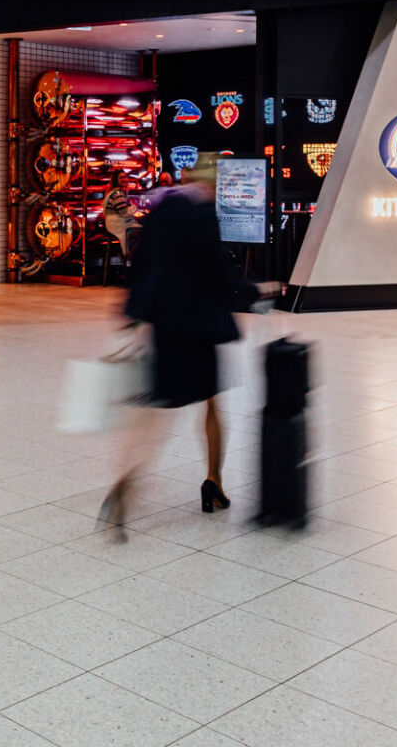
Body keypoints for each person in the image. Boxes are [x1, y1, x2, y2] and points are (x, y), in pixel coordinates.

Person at [100, 155, 269, 541]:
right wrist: (253, 291)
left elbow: (140, 264)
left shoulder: (162, 211)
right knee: (211, 403)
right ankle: (214, 481)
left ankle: (125, 484)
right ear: (208, 185)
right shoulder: (201, 215)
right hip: (199, 329)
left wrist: (134, 312)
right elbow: (216, 274)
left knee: (158, 408)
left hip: (164, 327)